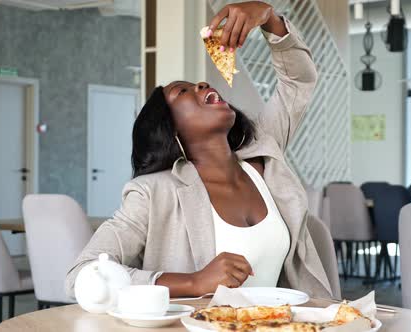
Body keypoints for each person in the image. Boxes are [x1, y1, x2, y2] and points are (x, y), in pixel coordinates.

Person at [66, 1, 332, 299]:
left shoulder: (263, 153)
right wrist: (193, 282)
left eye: (197, 84)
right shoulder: (152, 193)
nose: (202, 84)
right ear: (169, 128)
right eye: (182, 91)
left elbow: (299, 81)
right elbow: (84, 274)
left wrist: (270, 19)